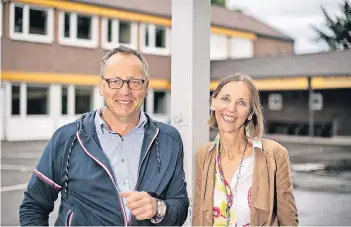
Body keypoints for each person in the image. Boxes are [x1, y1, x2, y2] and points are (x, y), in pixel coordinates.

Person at [19, 45, 189, 226]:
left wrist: (158, 208)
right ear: (101, 86)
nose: (125, 91)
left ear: (146, 86)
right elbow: (33, 207)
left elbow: (180, 205)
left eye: (135, 82)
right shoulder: (67, 139)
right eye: (115, 81)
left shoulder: (169, 139)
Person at [192, 74, 298, 226]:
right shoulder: (204, 155)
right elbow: (198, 218)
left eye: (241, 102)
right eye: (225, 99)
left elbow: (289, 221)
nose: (231, 108)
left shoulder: (275, 154)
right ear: (214, 103)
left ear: (250, 113)